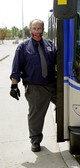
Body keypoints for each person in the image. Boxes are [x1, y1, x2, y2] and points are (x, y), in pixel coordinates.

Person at [9, 19, 57, 152]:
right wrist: (14, 86)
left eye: (39, 28)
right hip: (36, 88)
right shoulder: (23, 47)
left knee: (68, 104)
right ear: (30, 30)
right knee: (36, 116)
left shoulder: (50, 44)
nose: (37, 31)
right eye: (34, 28)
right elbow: (16, 68)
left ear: (43, 29)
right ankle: (35, 141)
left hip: (53, 85)